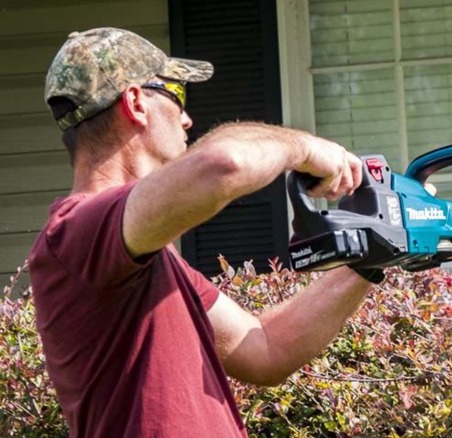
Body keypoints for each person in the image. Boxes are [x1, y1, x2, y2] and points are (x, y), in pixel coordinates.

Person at [28, 27, 383, 437]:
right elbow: (224, 162)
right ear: (135, 102)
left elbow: (265, 346)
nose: (186, 117)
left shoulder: (145, 257)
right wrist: (304, 148)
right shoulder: (77, 232)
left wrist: (370, 253)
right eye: (177, 97)